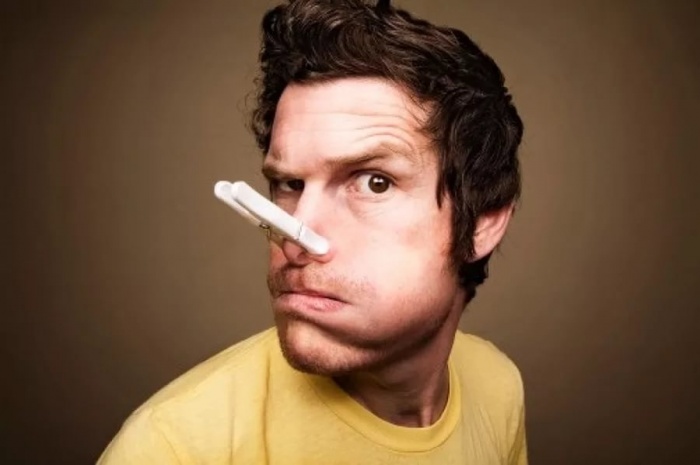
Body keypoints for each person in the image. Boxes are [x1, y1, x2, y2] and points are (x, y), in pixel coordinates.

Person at [98, 0, 526, 463]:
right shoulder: (171, 449)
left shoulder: (498, 386)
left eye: (374, 182)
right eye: (289, 184)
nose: (296, 235)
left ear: (482, 223)